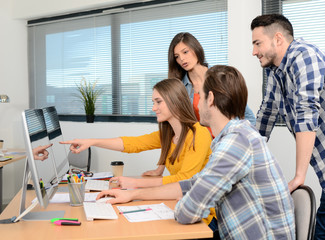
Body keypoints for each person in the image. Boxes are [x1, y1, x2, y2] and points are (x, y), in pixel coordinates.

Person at [96, 65, 295, 239]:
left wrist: (183, 201)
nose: (195, 103)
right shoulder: (233, 136)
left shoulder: (235, 143)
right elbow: (193, 183)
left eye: (198, 95)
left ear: (210, 99)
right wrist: (134, 194)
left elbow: (187, 212)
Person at [251, 14, 325, 239]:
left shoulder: (304, 56)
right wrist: (245, 157)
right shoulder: (275, 72)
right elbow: (266, 115)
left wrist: (299, 176)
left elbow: (306, 114)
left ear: (278, 39)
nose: (254, 51)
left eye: (257, 43)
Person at [61, 78, 215, 226]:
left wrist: (135, 183)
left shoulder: (199, 133)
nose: (154, 108)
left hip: (203, 216)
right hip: (181, 203)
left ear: (176, 101)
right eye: (153, 102)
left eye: (158, 102)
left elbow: (184, 180)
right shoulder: (168, 135)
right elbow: (133, 144)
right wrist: (92, 141)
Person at [168, 32, 256, 125]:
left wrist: (243, 138)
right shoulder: (180, 87)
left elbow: (248, 115)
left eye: (185, 52)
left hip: (226, 137)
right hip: (199, 139)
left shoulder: (221, 77)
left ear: (196, 49)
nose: (181, 58)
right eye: (176, 56)